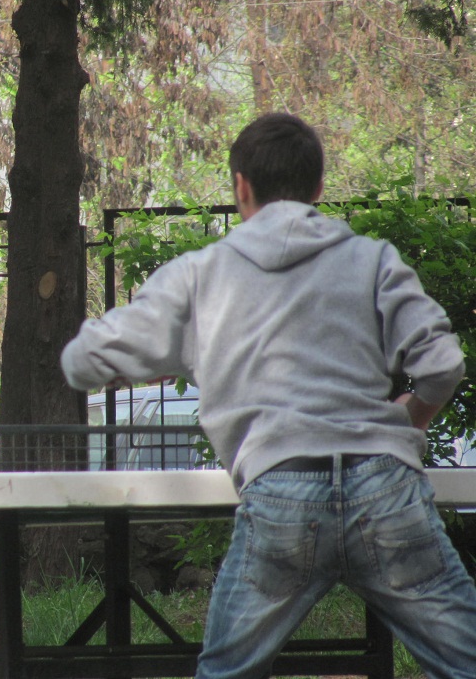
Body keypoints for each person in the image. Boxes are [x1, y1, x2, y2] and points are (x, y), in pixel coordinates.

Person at [61, 113, 476, 678]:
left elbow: (83, 361)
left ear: (241, 187)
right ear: (318, 188)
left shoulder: (200, 276)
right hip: (386, 491)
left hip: (281, 493)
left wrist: (174, 354)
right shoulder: (374, 260)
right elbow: (443, 364)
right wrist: (413, 417)